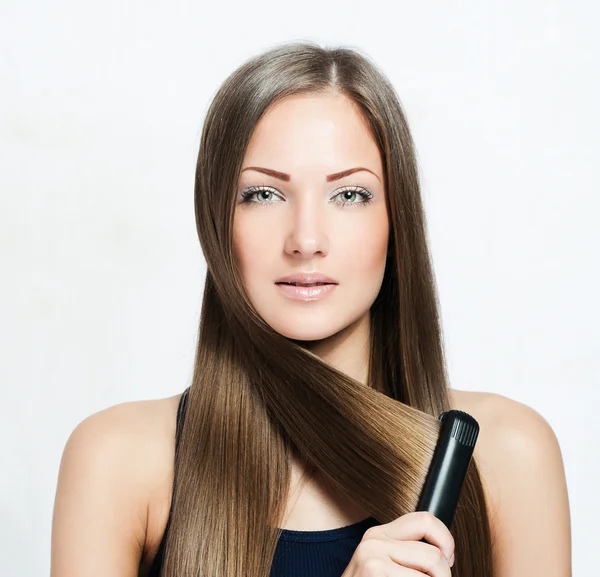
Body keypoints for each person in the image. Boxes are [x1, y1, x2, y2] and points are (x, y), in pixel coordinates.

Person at [50, 42, 571, 577]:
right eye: (262, 194)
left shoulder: (506, 455)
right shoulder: (118, 460)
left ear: (397, 223)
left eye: (348, 195)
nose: (305, 240)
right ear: (214, 220)